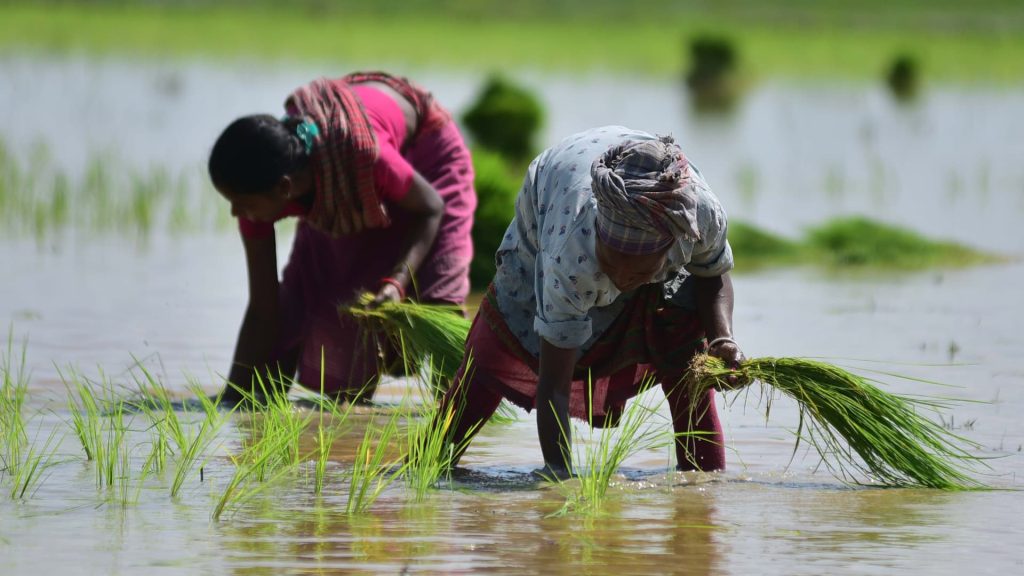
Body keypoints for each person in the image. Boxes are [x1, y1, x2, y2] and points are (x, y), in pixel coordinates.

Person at [438, 126, 743, 476]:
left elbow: (712, 275)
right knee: (497, 349)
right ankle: (428, 462)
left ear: (668, 249)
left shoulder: (700, 217)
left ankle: (704, 485)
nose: (621, 279)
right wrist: (559, 475)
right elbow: (553, 388)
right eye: (611, 262)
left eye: (637, 271)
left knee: (688, 355)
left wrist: (723, 339)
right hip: (551, 201)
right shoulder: (569, 252)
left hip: (647, 198)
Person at [207, 71, 476, 405]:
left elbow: (431, 208)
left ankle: (458, 420)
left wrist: (397, 281)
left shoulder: (366, 155)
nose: (236, 213)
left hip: (426, 157)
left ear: (285, 189)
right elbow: (264, 306)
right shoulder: (271, 185)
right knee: (314, 296)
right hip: (343, 175)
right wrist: (233, 396)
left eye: (243, 205)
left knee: (439, 299)